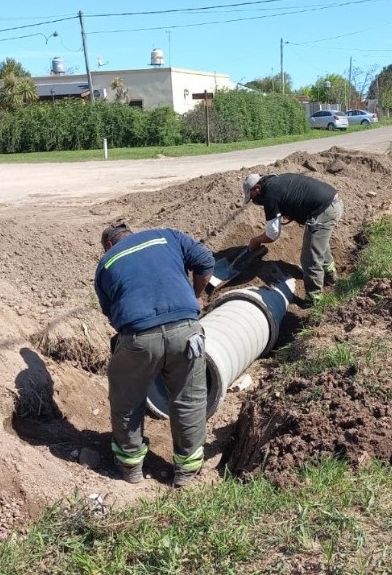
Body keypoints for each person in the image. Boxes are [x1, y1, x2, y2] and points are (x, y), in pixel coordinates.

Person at [94, 222, 214, 488]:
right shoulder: (166, 236)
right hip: (187, 333)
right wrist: (194, 297)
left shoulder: (106, 263)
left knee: (128, 400)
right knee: (189, 398)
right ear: (131, 235)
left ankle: (131, 468)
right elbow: (205, 260)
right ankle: (186, 471)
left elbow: (111, 312)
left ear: (110, 245)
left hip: (139, 338)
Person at [242, 172, 344, 305]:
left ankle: (314, 301)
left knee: (310, 258)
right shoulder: (276, 180)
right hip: (331, 203)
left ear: (257, 188)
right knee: (319, 246)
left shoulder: (269, 195)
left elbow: (273, 234)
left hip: (323, 210)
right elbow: (295, 195)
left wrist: (256, 240)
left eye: (253, 197)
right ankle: (330, 277)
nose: (255, 201)